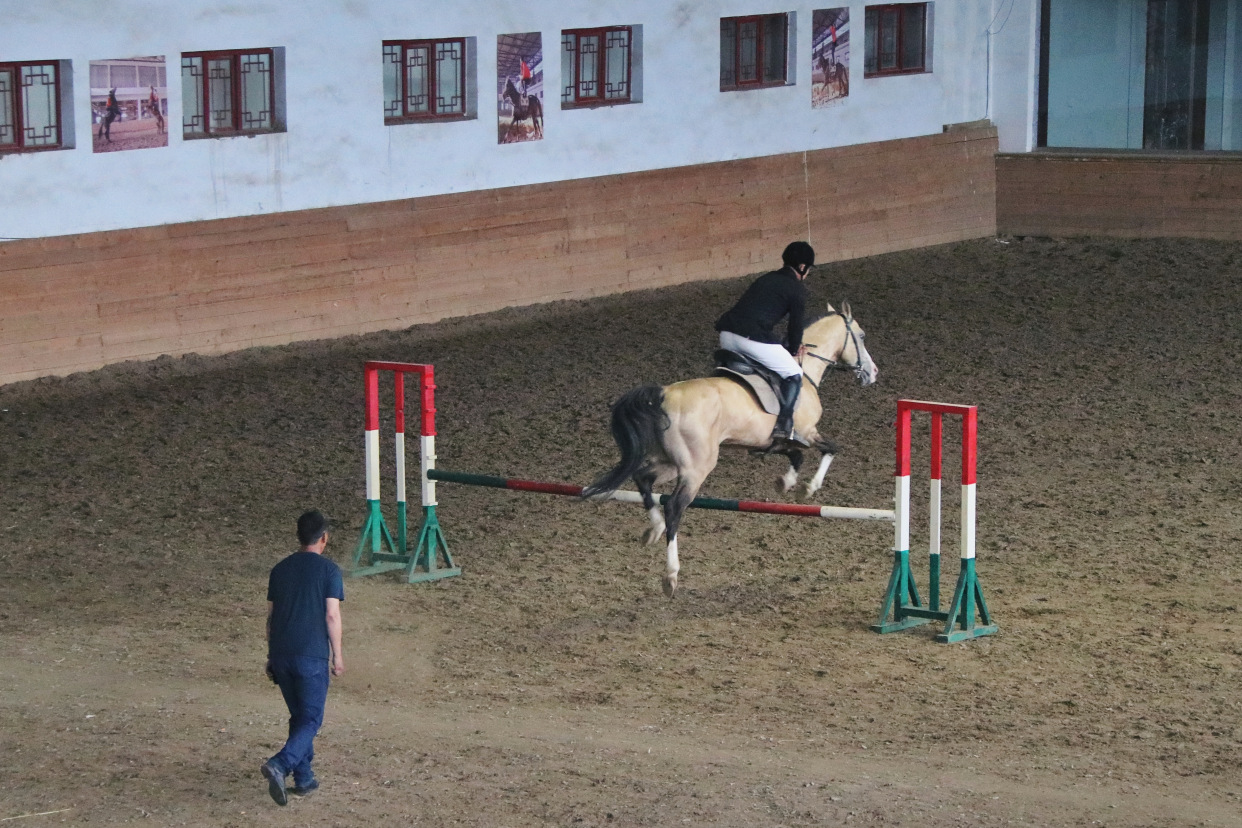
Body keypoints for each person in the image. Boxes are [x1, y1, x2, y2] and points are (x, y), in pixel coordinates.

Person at [261, 509, 345, 806]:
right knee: (311, 718)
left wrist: (271, 655)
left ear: (299, 537)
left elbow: (270, 619)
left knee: (300, 717)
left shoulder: (279, 569)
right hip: (311, 656)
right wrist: (338, 655)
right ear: (324, 538)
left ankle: (304, 779)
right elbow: (332, 615)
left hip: (282, 654)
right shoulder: (329, 571)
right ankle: (280, 765)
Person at [714, 241, 816, 446]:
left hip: (726, 334)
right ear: (803, 267)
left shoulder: (766, 278)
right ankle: (784, 426)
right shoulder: (796, 288)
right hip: (750, 338)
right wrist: (794, 350)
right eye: (809, 269)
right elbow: (795, 327)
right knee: (793, 373)